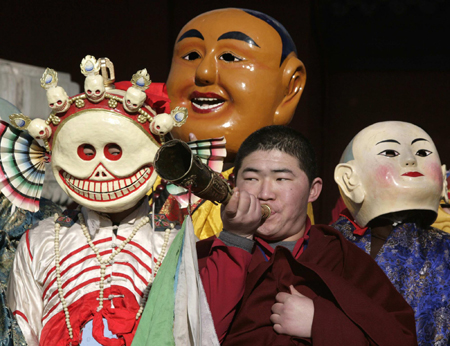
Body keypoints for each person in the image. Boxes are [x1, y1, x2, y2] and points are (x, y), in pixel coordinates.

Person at [6, 56, 182, 345]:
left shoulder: (174, 241)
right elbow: (22, 332)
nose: (100, 170)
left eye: (115, 152)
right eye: (86, 153)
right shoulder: (39, 242)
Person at [197, 125, 417, 345]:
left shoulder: (344, 259)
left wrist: (320, 321)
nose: (264, 194)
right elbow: (194, 334)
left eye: (281, 179)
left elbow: (399, 339)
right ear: (235, 184)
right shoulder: (206, 255)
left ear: (313, 190)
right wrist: (235, 239)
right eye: (252, 179)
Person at [154, 8, 312, 240]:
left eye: (229, 57)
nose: (204, 72)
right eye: (191, 56)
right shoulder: (140, 175)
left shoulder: (276, 193)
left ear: (290, 87)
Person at [333, 121, 450, 345]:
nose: (410, 160)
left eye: (423, 152)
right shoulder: (329, 246)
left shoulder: (445, 249)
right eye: (390, 152)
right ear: (349, 178)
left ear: (443, 177)